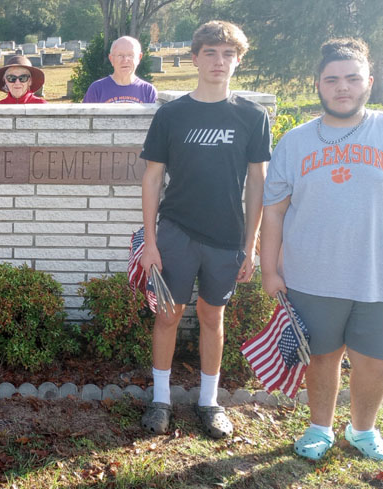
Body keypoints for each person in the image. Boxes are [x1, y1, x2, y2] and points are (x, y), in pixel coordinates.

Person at [261, 38, 383, 462]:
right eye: (332, 79)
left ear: (369, 82)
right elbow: (274, 211)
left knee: (375, 359)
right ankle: (320, 428)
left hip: (382, 273)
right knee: (321, 357)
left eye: (352, 78)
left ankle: (363, 431)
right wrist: (269, 269)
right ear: (318, 84)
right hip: (311, 275)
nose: (342, 87)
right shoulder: (295, 142)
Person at [138, 21, 271, 439]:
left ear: (238, 60)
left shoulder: (251, 116)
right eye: (210, 53)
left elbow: (257, 184)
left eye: (228, 54)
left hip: (227, 237)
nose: (219, 61)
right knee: (168, 314)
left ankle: (209, 402)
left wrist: (251, 245)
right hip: (176, 231)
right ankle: (160, 400)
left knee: (213, 315)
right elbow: (152, 179)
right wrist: (151, 241)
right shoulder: (172, 114)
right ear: (194, 58)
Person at [83, 36, 157, 104]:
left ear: (139, 58)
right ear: (111, 59)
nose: (125, 60)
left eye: (130, 55)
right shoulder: (97, 89)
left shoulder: (148, 91)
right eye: (120, 55)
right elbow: (85, 117)